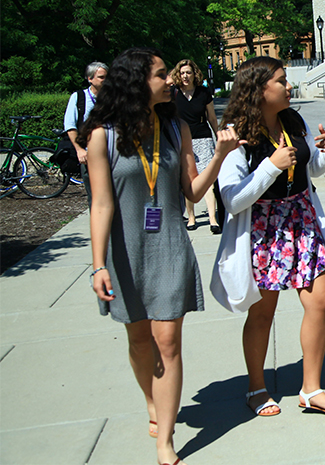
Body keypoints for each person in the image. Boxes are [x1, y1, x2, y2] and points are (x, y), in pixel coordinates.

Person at [80, 47, 243, 465]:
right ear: (137, 83)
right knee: (139, 341)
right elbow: (101, 205)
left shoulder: (174, 129)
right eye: (159, 75)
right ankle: (152, 402)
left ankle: (165, 441)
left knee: (167, 341)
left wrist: (221, 155)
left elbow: (192, 191)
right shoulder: (104, 135)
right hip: (125, 248)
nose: (169, 80)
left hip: (170, 241)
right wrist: (97, 264)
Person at [211, 57, 325, 419]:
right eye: (281, 81)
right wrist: (270, 166)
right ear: (259, 90)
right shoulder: (237, 133)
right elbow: (232, 198)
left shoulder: (292, 120)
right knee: (262, 313)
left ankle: (311, 389)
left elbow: (311, 167)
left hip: (302, 219)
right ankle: (256, 387)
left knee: (321, 301)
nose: (288, 86)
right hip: (263, 228)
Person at [171, 59, 220, 233]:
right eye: (182, 72)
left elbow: (212, 118)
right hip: (182, 141)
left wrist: (218, 135)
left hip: (203, 138)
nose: (185, 76)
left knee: (207, 180)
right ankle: (191, 217)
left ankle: (212, 219)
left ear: (194, 74)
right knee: (188, 179)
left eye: (188, 72)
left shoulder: (203, 93)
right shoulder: (173, 93)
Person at [63, 61, 108, 202]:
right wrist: (79, 150)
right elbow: (70, 125)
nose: (105, 81)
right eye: (101, 77)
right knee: (95, 197)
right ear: (90, 79)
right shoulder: (78, 98)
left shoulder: (112, 99)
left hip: (111, 154)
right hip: (89, 155)